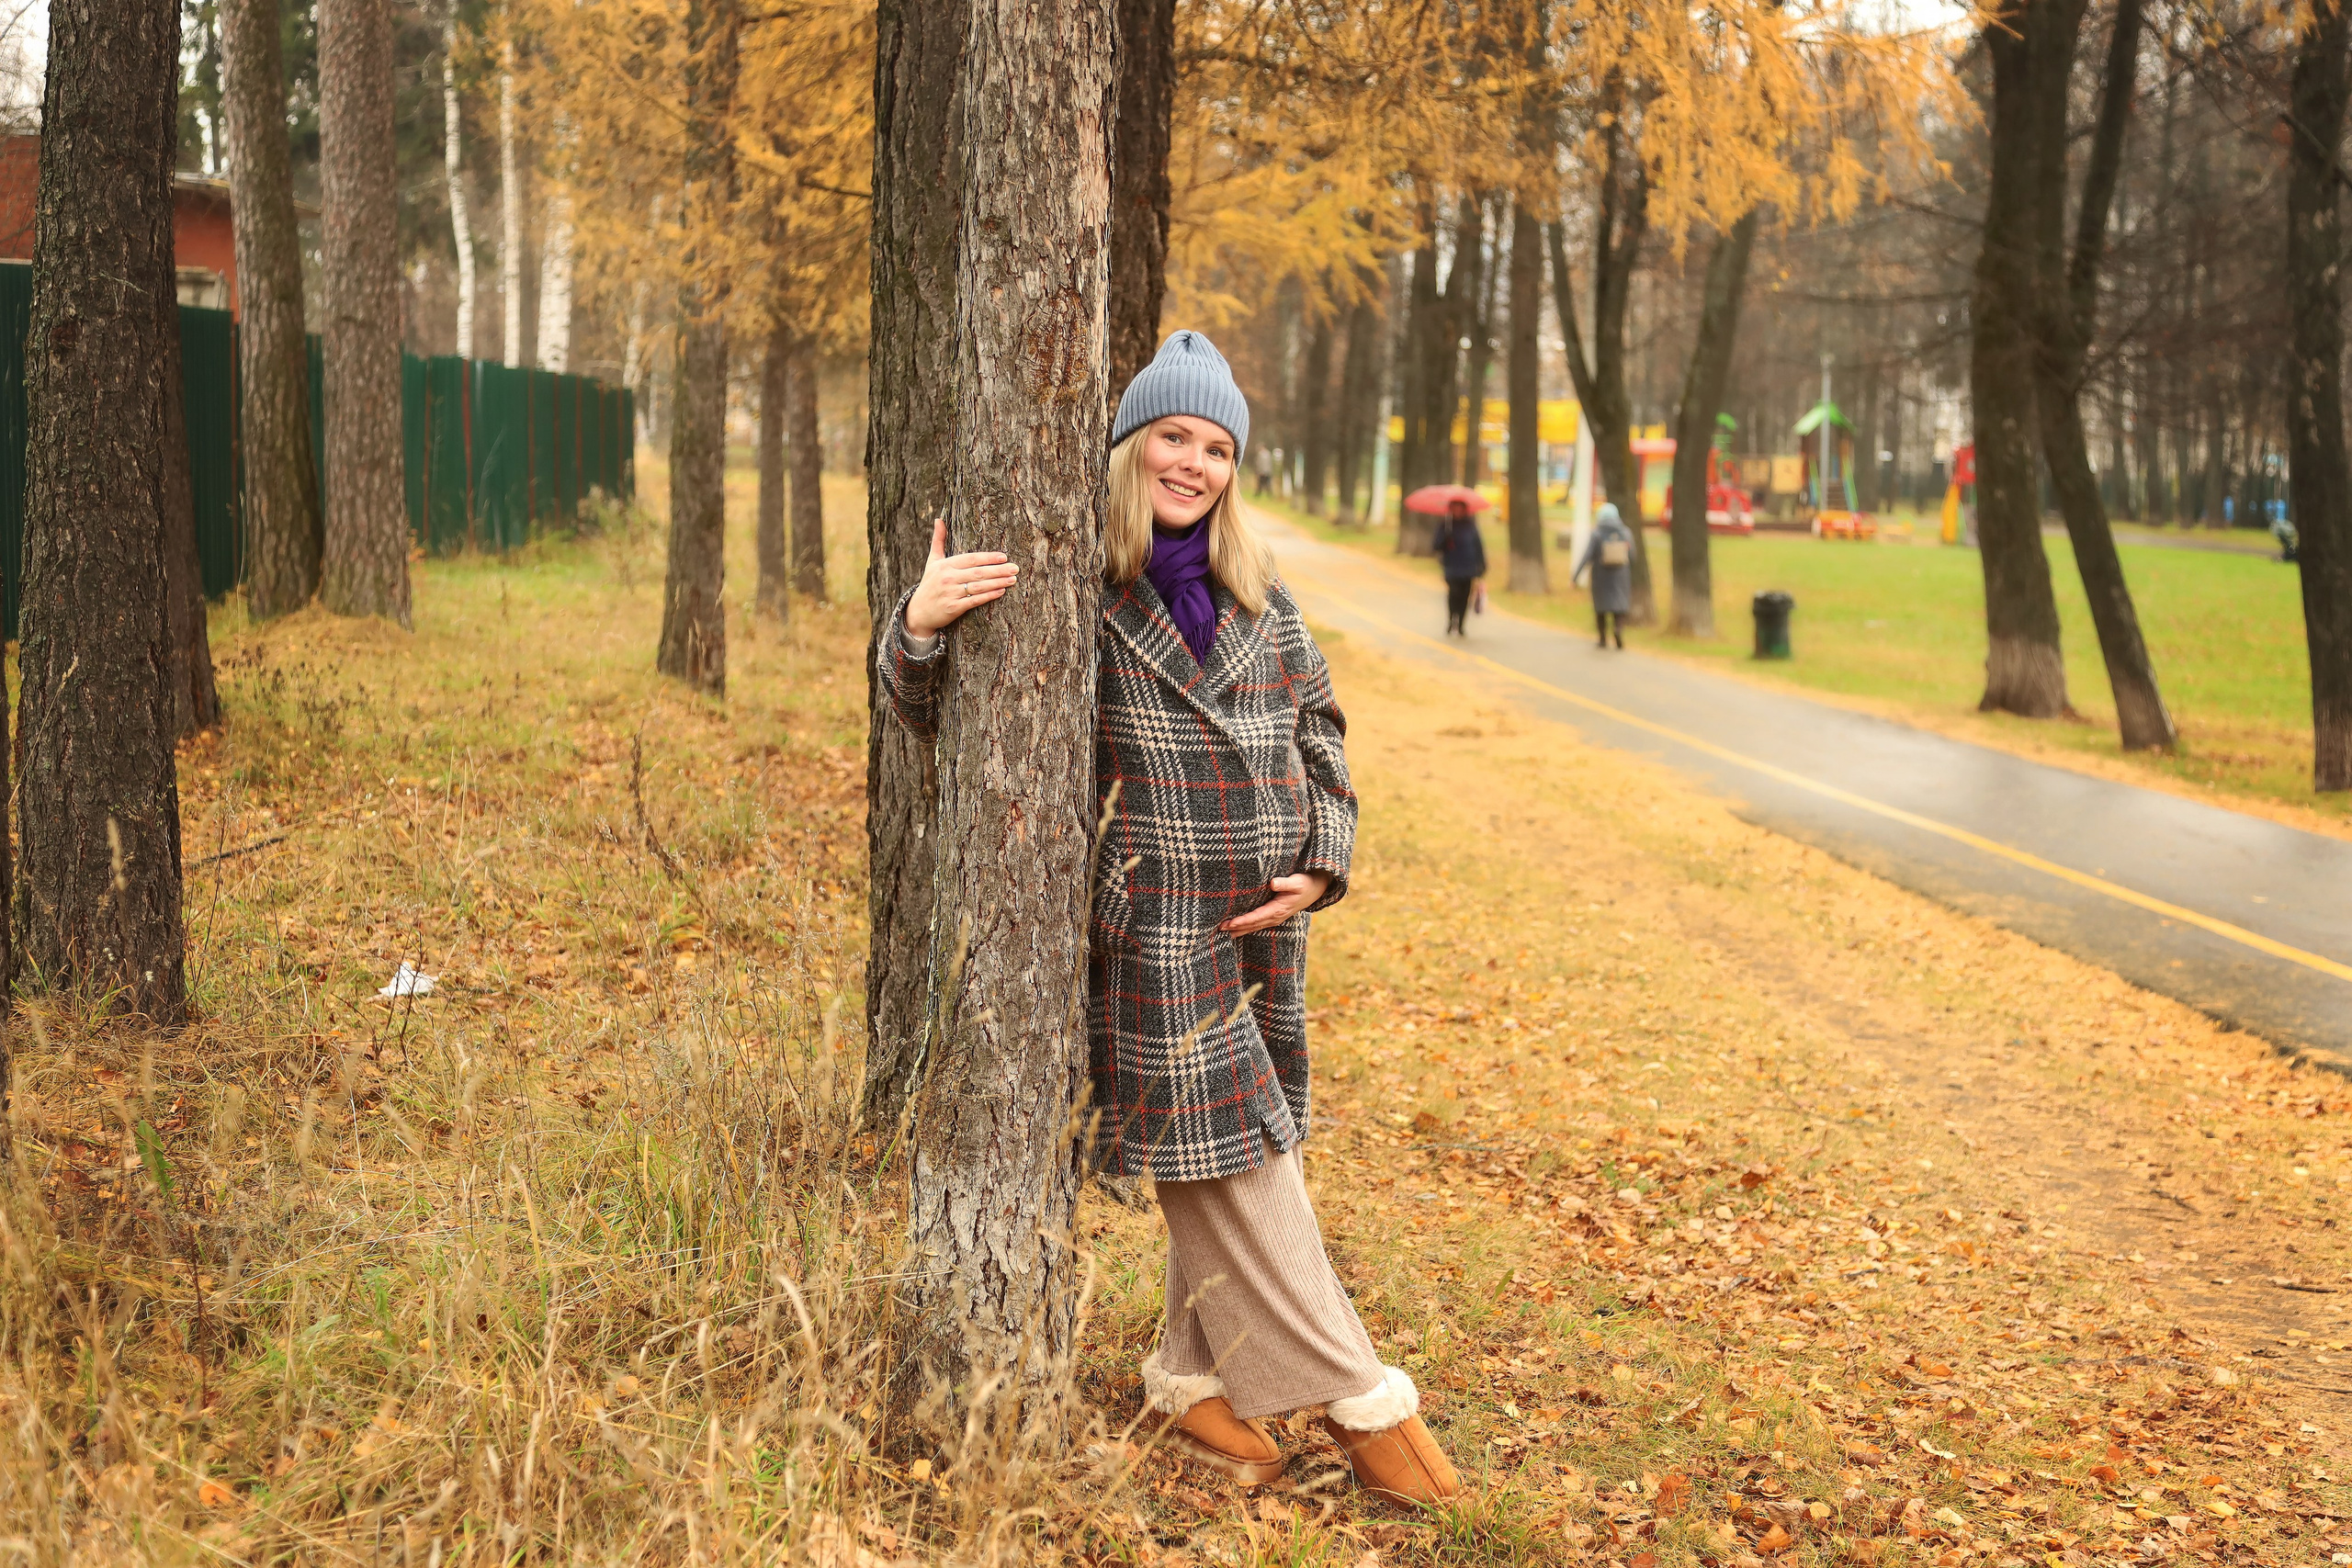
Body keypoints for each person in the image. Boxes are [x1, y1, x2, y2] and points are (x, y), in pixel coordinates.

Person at [877, 331, 1459, 1509]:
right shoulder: (1076, 588)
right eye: (1171, 437)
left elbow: (1323, 735)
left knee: (1241, 1151)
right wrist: (920, 628)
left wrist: (1323, 865)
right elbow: (951, 723)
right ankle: (1361, 1401)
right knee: (1242, 1167)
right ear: (1129, 444)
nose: (1191, 463)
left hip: (1259, 935)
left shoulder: (1265, 600)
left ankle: (1187, 1386)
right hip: (1152, 934)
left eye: (1213, 446)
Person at [1573, 502, 1635, 648]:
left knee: (1600, 608)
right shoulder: (1625, 533)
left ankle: (1602, 639)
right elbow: (1633, 556)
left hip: (1600, 577)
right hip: (1621, 576)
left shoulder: (1597, 533)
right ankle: (1618, 629)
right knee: (1619, 607)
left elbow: (1587, 555)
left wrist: (1575, 576)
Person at [1431, 499, 1487, 636]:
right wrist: (1446, 538)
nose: (1457, 511)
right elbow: (1436, 545)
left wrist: (1482, 564)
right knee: (1453, 594)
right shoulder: (1446, 525)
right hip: (1452, 566)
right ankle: (1451, 620)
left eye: (1459, 508)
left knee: (1465, 596)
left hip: (1468, 566)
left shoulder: (1470, 526)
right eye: (1454, 508)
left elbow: (1478, 546)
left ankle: (1461, 623)